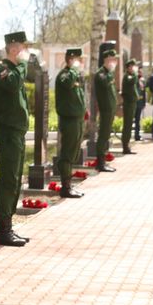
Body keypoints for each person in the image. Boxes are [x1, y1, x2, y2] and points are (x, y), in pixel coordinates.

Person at [0, 31, 32, 247]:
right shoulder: (3, 71)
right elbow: (14, 83)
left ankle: (8, 225)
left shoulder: (14, 70)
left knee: (15, 179)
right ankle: (3, 230)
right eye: (22, 48)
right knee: (8, 179)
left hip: (17, 132)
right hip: (8, 133)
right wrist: (23, 65)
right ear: (14, 48)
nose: (25, 52)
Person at [54, 48, 87, 198]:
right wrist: (74, 69)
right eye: (78, 60)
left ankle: (68, 184)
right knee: (67, 153)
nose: (80, 62)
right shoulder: (65, 75)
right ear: (70, 60)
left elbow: (78, 96)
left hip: (77, 120)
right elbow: (67, 84)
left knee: (73, 152)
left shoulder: (76, 76)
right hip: (69, 121)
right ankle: (65, 188)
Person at [93, 48, 119, 172]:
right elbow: (103, 83)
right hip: (105, 110)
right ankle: (100, 163)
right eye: (113, 59)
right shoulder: (101, 74)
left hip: (110, 110)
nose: (115, 62)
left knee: (106, 135)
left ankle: (102, 161)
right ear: (107, 59)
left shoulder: (109, 73)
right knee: (103, 136)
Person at [120, 59, 140, 155]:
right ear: (128, 68)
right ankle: (125, 146)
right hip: (128, 103)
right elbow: (132, 82)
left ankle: (127, 145)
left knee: (129, 125)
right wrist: (135, 74)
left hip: (132, 103)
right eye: (132, 66)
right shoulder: (127, 76)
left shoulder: (131, 76)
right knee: (127, 125)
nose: (133, 68)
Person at [133, 67, 146, 142]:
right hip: (134, 102)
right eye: (138, 72)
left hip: (140, 103)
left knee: (138, 120)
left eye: (141, 72)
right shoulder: (134, 80)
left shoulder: (143, 80)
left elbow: (143, 93)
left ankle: (137, 135)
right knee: (133, 119)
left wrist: (144, 103)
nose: (140, 73)